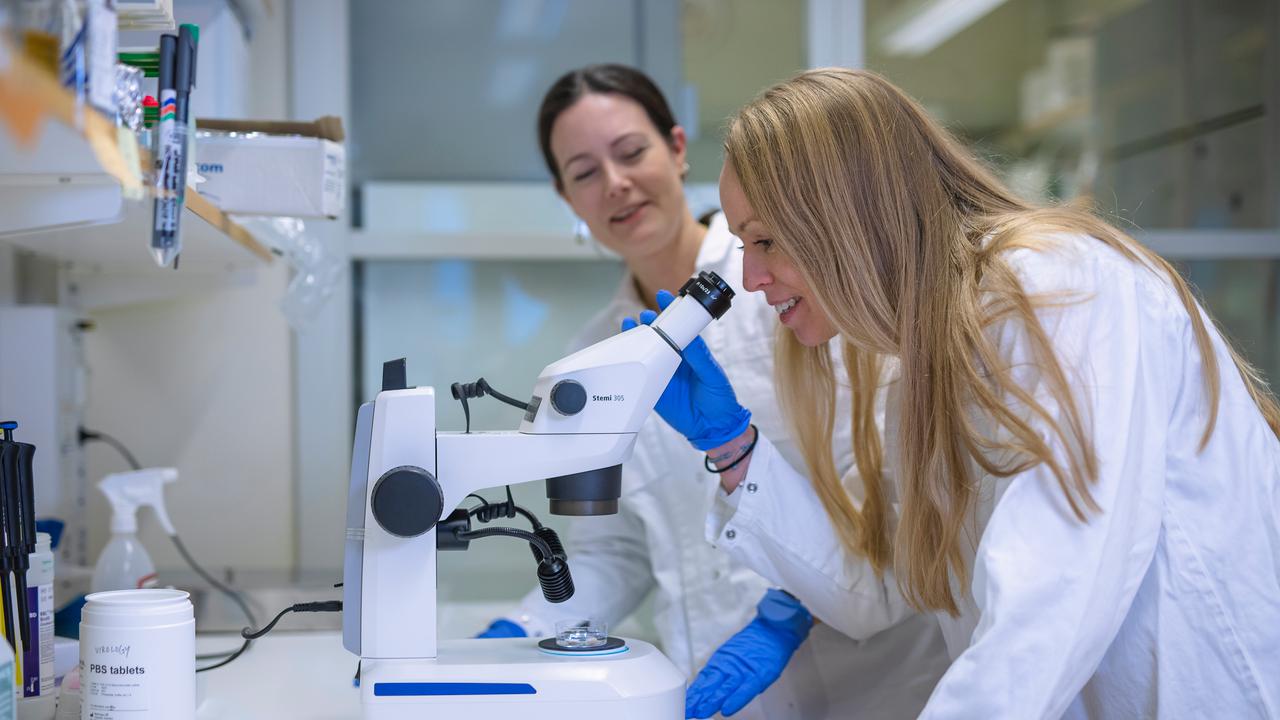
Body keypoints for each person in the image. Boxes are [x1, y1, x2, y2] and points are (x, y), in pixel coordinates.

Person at [634, 66, 1280, 718]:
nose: (750, 278)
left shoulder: (1055, 290)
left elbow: (1051, 593)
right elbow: (874, 587)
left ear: (847, 213)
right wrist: (734, 447)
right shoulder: (919, 359)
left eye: (765, 239)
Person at [475, 64, 950, 718]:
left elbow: (878, 489)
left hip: (867, 682)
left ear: (675, 148)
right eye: (584, 173)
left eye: (631, 152)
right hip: (710, 685)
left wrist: (785, 615)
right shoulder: (592, 360)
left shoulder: (798, 289)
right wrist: (519, 634)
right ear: (567, 197)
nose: (615, 184)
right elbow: (614, 551)